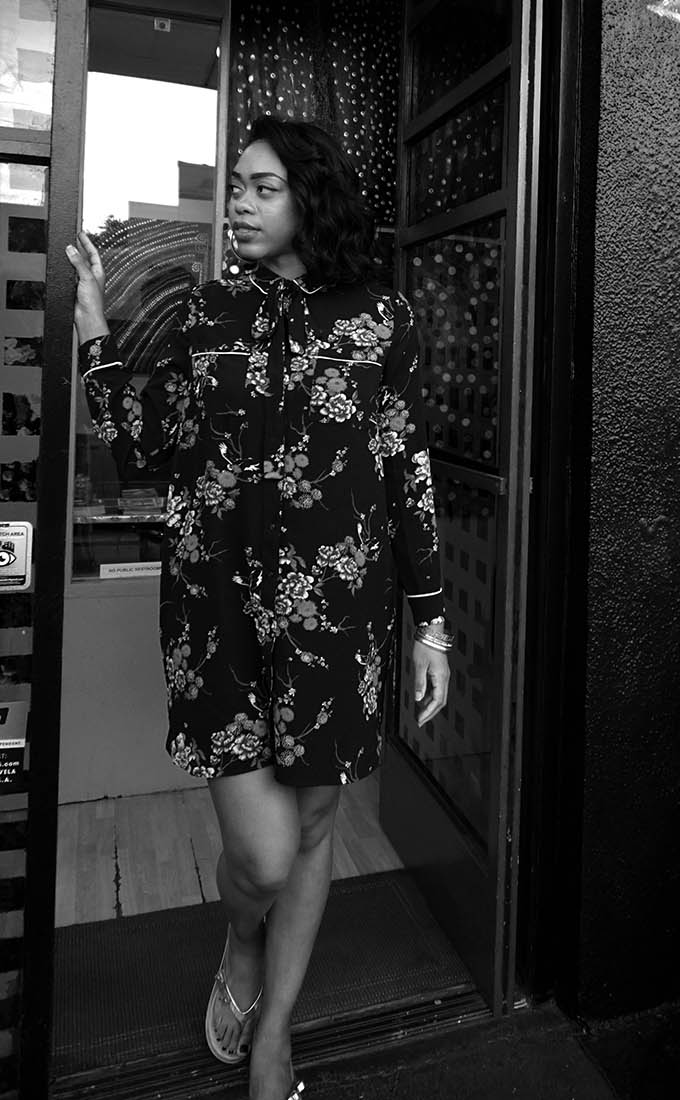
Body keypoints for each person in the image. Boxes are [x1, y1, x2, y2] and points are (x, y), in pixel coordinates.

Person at [66, 114, 452, 1100]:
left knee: (314, 829)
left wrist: (432, 620)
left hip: (337, 623)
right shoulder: (207, 313)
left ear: (309, 199)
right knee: (266, 854)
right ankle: (243, 937)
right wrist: (96, 331)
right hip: (219, 621)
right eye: (235, 185)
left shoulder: (383, 321)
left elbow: (407, 471)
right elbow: (144, 443)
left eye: (260, 186)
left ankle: (277, 1027)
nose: (237, 203)